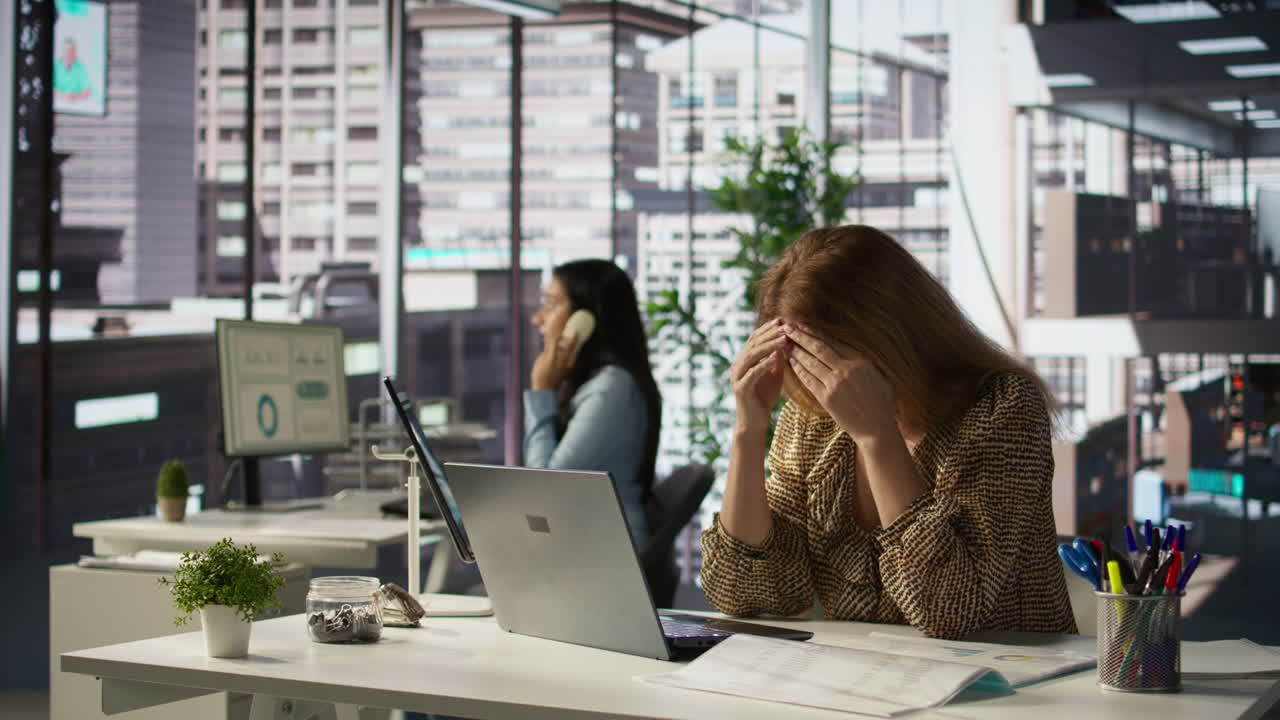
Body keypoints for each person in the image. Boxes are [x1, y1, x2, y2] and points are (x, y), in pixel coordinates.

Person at [701, 225, 1076, 639]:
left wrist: (877, 437)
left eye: (821, 354)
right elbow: (750, 593)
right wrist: (749, 430)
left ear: (888, 335)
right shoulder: (813, 421)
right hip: (867, 674)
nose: (814, 376)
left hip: (1013, 673)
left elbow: (950, 612)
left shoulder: (1003, 407)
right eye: (797, 354)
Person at [524, 259, 661, 549]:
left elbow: (543, 489)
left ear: (584, 322)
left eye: (551, 304)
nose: (538, 319)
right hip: (581, 545)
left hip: (609, 554)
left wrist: (541, 391)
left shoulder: (613, 388)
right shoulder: (593, 385)